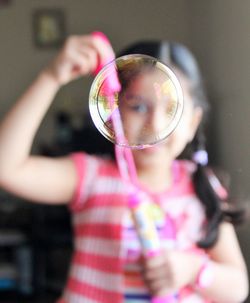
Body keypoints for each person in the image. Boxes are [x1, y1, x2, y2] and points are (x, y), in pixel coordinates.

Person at [0, 33, 248, 303]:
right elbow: (6, 168)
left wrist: (195, 270)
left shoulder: (204, 187)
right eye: (138, 106)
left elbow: (238, 288)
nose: (154, 124)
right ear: (113, 113)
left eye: (171, 109)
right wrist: (51, 77)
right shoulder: (92, 177)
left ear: (193, 122)